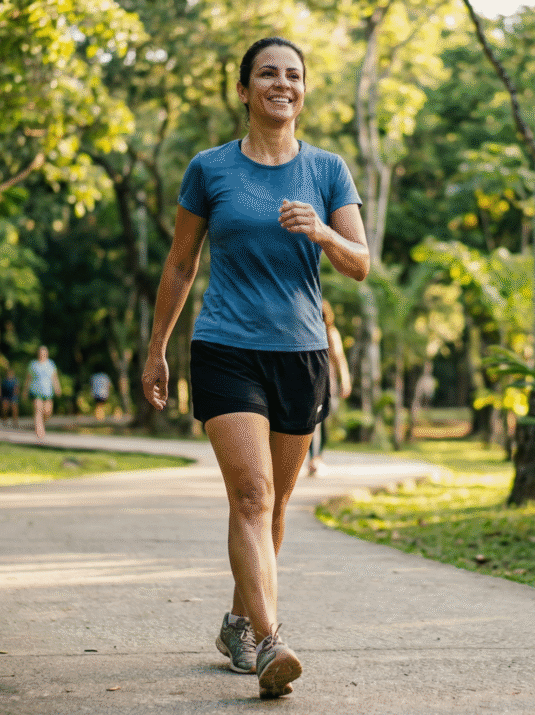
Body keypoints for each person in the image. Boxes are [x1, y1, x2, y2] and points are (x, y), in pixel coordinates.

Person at [140, 37, 369, 700]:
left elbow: (360, 261)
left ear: (304, 90)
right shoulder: (209, 169)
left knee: (277, 505)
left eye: (293, 75)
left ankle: (239, 620)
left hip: (300, 354)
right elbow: (181, 264)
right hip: (225, 348)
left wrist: (323, 232)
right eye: (267, 73)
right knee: (252, 494)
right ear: (244, 90)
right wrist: (156, 347)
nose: (281, 83)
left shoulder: (328, 170)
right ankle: (272, 639)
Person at [306, 300, 351, 477]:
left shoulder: (331, 334)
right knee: (310, 422)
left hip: (326, 383)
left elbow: (339, 358)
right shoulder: (307, 331)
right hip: (309, 383)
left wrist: (345, 380)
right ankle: (313, 458)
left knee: (320, 422)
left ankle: (317, 458)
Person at [25, 345, 61, 439]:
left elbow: (54, 378)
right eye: (40, 352)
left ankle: (41, 425)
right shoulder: (33, 364)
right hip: (36, 391)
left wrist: (57, 388)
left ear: (46, 354)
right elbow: (28, 379)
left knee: (47, 412)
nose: (42, 354)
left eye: (44, 352)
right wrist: (25, 391)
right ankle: (39, 430)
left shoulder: (50, 364)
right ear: (38, 353)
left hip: (48, 392)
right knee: (38, 410)